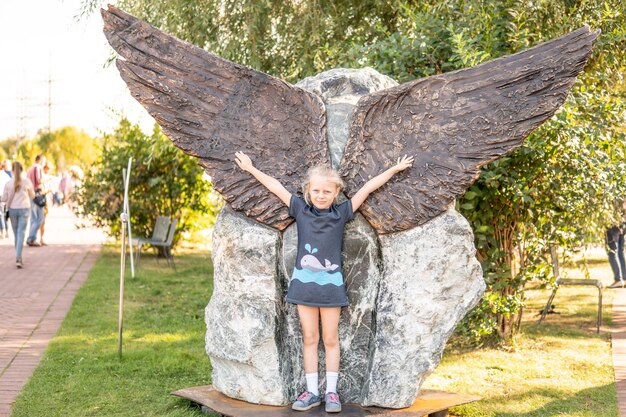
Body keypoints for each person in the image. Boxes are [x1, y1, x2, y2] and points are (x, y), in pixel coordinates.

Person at [234, 151, 413, 413]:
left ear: (336, 193)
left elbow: (367, 187)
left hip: (331, 287)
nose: (320, 195)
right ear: (308, 191)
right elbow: (275, 186)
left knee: (330, 339)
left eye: (326, 192)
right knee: (309, 337)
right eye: (316, 190)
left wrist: (394, 170)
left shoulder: (342, 212)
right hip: (303, 286)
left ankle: (331, 392)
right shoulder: (299, 209)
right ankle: (312, 392)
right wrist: (250, 169)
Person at [1, 161, 35, 268]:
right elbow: (32, 196)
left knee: (16, 234)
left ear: (12, 170)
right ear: (21, 170)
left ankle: (18, 256)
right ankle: (18, 257)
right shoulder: (27, 182)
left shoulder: (8, 183)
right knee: (21, 234)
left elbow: (4, 199)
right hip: (24, 209)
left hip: (12, 210)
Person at [26, 154, 46, 246]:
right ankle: (31, 238)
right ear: (41, 160)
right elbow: (39, 180)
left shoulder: (30, 168)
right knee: (40, 218)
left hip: (30, 193)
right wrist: (46, 180)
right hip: (37, 194)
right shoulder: (37, 167)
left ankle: (32, 239)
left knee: (33, 218)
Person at [0, 161, 10, 238]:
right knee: (4, 215)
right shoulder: (6, 175)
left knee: (1, 215)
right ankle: (7, 232)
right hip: (5, 196)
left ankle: (2, 232)